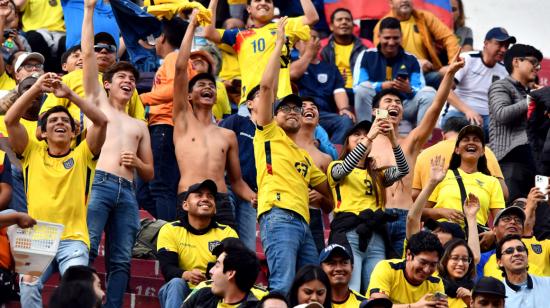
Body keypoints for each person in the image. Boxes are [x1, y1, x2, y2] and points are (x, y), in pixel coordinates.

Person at [5, 72, 108, 308]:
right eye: (53, 121)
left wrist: (70, 94)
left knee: (80, 287)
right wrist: (36, 88)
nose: (60, 123)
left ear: (74, 133)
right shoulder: (31, 151)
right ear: (41, 132)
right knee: (29, 285)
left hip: (74, 239)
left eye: (65, 121)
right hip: (38, 235)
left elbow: (101, 122)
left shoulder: (83, 155)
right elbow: (11, 120)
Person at [81, 2, 155, 307]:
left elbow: (149, 172)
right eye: (121, 78)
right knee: (84, 250)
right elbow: (86, 55)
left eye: (132, 80)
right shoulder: (97, 101)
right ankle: (80, 301)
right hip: (99, 182)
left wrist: (137, 163)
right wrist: (88, 9)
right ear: (107, 83)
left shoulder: (140, 123)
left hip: (128, 192)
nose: (128, 82)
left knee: (121, 260)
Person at [253, 18, 332, 294]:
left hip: (304, 223)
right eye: (285, 108)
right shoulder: (267, 133)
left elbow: (331, 196)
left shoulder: (307, 157)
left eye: (297, 109)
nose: (292, 112)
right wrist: (278, 46)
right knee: (283, 285)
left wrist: (323, 198)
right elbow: (265, 88)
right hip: (278, 216)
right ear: (273, 116)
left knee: (311, 288)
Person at [366, 53, 465, 257]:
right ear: (375, 111)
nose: (394, 104)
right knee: (374, 276)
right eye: (388, 101)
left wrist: (449, 75)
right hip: (375, 216)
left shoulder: (410, 142)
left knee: (406, 271)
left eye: (398, 103)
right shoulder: (363, 144)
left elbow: (435, 108)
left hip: (405, 217)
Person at [172, 10, 256, 229]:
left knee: (230, 257)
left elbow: (237, 182)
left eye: (211, 85)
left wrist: (254, 197)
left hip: (221, 201)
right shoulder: (182, 121)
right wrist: (191, 26)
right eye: (201, 85)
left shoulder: (227, 135)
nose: (208, 87)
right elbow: (181, 68)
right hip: (188, 197)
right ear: (189, 96)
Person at [327, 118, 409, 292]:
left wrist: (393, 140)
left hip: (377, 237)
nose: (362, 137)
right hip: (350, 234)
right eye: (356, 134)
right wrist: (370, 138)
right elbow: (344, 169)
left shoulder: (378, 175)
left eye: (365, 134)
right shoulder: (336, 166)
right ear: (347, 143)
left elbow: (403, 169)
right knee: (352, 290)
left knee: (376, 291)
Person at [204, 0, 318, 107]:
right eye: (258, 0)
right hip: (251, 101)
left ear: (273, 9)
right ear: (249, 9)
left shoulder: (284, 25)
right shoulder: (239, 35)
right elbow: (208, 32)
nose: (263, 2)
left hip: (282, 100)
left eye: (268, 1)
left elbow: (312, 18)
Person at [157, 180, 239, 307]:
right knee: (176, 283)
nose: (205, 198)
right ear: (185, 205)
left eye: (210, 196)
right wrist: (188, 275)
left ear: (215, 208)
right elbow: (167, 269)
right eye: (199, 195)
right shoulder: (170, 229)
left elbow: (234, 269)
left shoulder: (227, 233)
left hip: (213, 290)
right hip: (181, 291)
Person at [138, 17, 187, 221]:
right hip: (158, 126)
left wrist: (142, 98)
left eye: (157, 36)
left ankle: (171, 236)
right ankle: (177, 227)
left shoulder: (175, 58)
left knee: (160, 187)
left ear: (163, 38)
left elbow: (177, 87)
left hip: (166, 126)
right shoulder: (171, 60)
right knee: (143, 192)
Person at [353, 17, 436, 127]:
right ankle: (365, 132)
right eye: (387, 38)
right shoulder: (367, 55)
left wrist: (409, 89)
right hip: (376, 109)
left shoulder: (411, 59)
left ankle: (421, 138)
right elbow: (357, 86)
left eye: (395, 38)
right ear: (379, 37)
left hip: (402, 109)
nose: (391, 42)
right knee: (362, 89)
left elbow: (420, 88)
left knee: (429, 93)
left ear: (401, 37)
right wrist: (381, 86)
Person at [488, 43, 543, 203]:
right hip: (511, 161)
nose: (537, 67)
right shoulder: (500, 86)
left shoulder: (533, 93)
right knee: (512, 216)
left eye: (538, 64)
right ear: (516, 62)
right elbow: (501, 114)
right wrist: (533, 98)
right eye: (533, 62)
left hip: (538, 165)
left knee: (541, 219)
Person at [424, 125, 505, 229]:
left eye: (476, 140)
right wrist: (441, 212)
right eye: (465, 140)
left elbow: (500, 221)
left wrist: (492, 234)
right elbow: (420, 212)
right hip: (444, 237)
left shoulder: (492, 182)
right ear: (457, 150)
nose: (471, 142)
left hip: (475, 239)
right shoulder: (442, 176)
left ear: (483, 151)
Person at [412, 117, 508, 201]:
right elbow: (503, 194)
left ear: (443, 135)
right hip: (476, 217)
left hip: (432, 219)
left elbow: (414, 195)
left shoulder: (424, 154)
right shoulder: (484, 151)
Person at [442, 28, 514, 136]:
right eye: (499, 44)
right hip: (459, 113)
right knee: (470, 127)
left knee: (506, 131)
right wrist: (468, 111)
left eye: (506, 46)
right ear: (486, 43)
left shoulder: (505, 70)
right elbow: (446, 90)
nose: (503, 50)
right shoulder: (468, 59)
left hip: (487, 119)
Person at [374, 0, 460, 89]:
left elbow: (449, 38)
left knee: (448, 78)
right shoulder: (382, 25)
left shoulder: (424, 17)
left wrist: (452, 66)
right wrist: (416, 64)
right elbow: (383, 58)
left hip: (427, 73)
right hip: (398, 77)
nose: (405, 0)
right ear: (390, 3)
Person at [291, 30, 354, 145]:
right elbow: (293, 74)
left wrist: (344, 108)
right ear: (297, 45)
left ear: (320, 43)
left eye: (314, 38)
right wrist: (308, 54)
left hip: (324, 115)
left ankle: (332, 157)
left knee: (346, 120)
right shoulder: (290, 63)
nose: (311, 42)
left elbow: (339, 91)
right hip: (299, 112)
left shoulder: (330, 68)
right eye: (306, 39)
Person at [407, 155, 481, 253]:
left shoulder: (458, 264)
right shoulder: (420, 250)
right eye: (435, 228)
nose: (434, 232)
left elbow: (474, 256)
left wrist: (471, 218)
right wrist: (432, 182)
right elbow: (412, 219)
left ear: (455, 244)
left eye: (442, 231)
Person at [367, 231, 448, 307]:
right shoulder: (387, 268)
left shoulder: (436, 282)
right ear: (408, 254)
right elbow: (377, 306)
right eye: (423, 262)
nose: (426, 270)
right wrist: (414, 307)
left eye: (433, 264)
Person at [295, 98, 333, 253]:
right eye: (303, 106)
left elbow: (330, 204)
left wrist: (321, 198)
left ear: (318, 121)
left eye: (314, 107)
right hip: (287, 213)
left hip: (314, 217)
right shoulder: (282, 146)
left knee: (314, 269)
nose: (309, 108)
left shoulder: (325, 158)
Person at [182, 237, 263, 307]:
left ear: (231, 274)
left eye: (217, 265)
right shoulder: (203, 294)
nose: (210, 271)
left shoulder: (261, 301)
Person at [477, 206, 550, 279]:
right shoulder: (482, 259)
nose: (513, 222)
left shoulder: (542, 246)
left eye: (518, 220)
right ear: (494, 230)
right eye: (506, 219)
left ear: (522, 231)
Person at [319, 8, 369, 101]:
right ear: (331, 26)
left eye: (348, 20)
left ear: (353, 25)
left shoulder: (367, 46)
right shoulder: (321, 46)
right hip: (331, 91)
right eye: (339, 20)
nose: (344, 22)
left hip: (361, 91)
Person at [496, 234, 550, 307]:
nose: (516, 253)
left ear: (527, 257)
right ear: (500, 262)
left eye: (520, 249)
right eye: (509, 251)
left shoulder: (548, 284)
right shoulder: (497, 294)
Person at [438, 239, 478, 308]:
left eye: (465, 259)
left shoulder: (475, 291)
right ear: (444, 260)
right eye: (455, 258)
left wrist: (471, 303)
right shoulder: (433, 285)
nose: (460, 264)